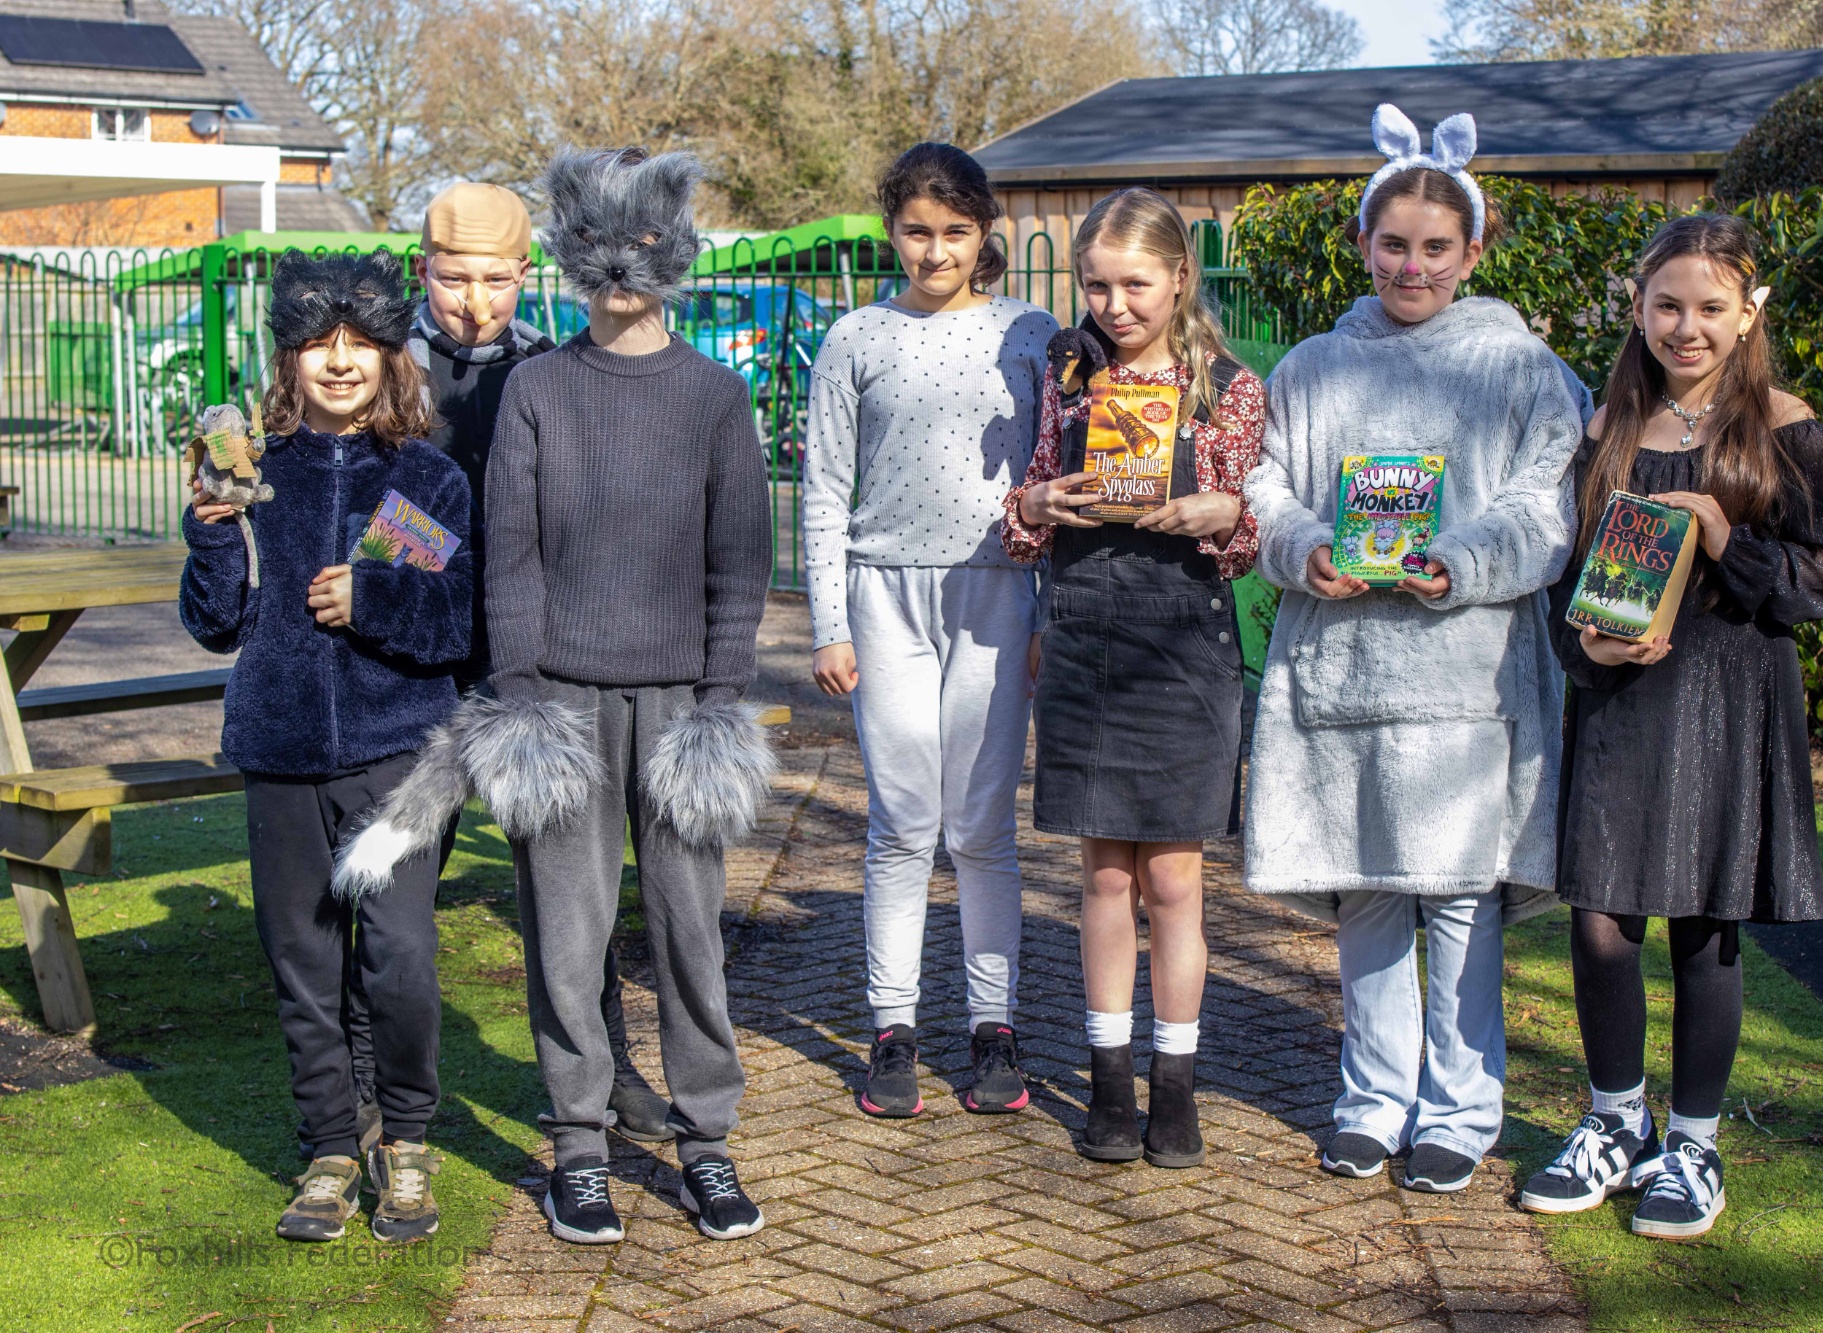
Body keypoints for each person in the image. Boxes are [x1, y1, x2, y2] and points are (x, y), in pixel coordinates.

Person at [335, 147, 775, 1246]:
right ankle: (578, 1144)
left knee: (686, 934)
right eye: (603, 248)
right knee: (566, 940)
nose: (622, 269)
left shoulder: (717, 399)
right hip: (553, 699)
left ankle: (705, 1142)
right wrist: (524, 690)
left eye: (644, 246)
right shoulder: (528, 388)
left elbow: (739, 561)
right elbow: (508, 554)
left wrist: (721, 699)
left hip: (681, 704)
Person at [1242, 105, 1586, 1194]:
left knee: (1454, 897)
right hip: (1343, 671)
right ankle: (1370, 1098)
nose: (1412, 264)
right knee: (1369, 894)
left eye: (1436, 246)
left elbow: (1547, 504)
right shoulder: (1307, 368)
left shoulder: (1522, 367)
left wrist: (1463, 562)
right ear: (1362, 245)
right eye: (1393, 243)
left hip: (1467, 679)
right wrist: (1301, 548)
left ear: (1472, 251)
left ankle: (1459, 1107)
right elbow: (1264, 487)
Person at [1519, 214, 1823, 1240]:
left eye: (1709, 307)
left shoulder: (1782, 425)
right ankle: (1610, 1123)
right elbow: (1566, 584)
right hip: (1621, 703)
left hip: (1729, 700)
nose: (1685, 327)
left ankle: (1693, 1145)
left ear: (1745, 313)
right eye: (1666, 305)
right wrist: (1583, 648)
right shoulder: (1606, 429)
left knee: (1704, 931)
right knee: (1597, 923)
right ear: (1636, 307)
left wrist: (1730, 542)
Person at [180, 249, 473, 1244]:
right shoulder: (257, 472)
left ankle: (407, 1141)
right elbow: (217, 624)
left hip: (400, 757)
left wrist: (373, 593)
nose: (339, 361)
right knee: (304, 963)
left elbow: (448, 626)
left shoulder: (423, 475)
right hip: (279, 748)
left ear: (393, 356)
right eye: (318, 343)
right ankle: (329, 1149)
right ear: (287, 356)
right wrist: (213, 533)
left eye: (360, 343)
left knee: (395, 959)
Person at [1001, 187, 1265, 1167]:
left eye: (1134, 285)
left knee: (1174, 880)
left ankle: (1175, 1087)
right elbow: (1021, 518)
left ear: (1179, 278)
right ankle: (1108, 1083)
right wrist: (1035, 500)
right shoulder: (1063, 373)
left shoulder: (1228, 385)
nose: (1113, 306)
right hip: (1083, 634)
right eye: (1095, 285)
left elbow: (1249, 536)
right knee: (1102, 877)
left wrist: (1223, 518)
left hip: (1183, 648)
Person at [404, 180, 673, 1145]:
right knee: (403, 888)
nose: (475, 303)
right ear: (420, 269)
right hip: (414, 663)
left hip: (533, 661)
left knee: (573, 887)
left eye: (496, 280)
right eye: (452, 279)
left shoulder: (553, 371)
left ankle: (605, 1063)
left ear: (527, 275)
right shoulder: (387, 373)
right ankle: (383, 1084)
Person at [803, 143, 1059, 1118]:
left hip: (997, 593)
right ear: (891, 231)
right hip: (884, 596)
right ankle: (892, 1027)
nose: (934, 249)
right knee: (903, 820)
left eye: (954, 231)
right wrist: (830, 624)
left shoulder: (1029, 335)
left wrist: (1048, 615)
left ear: (984, 233)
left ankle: (993, 1028)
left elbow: (1055, 483)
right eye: (916, 230)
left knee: (982, 824)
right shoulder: (855, 338)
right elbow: (825, 490)